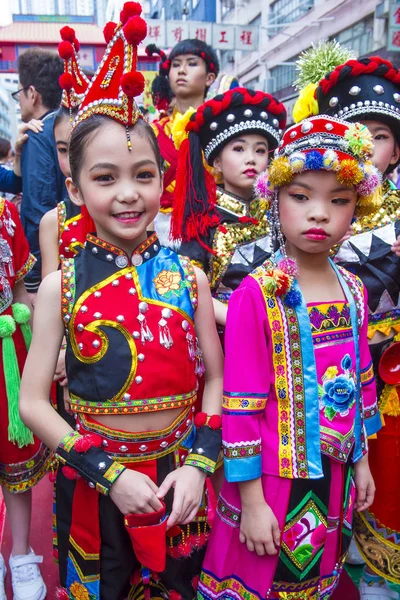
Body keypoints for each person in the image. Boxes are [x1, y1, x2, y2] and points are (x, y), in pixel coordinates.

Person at [19, 6, 223, 600]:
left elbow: (216, 378)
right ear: (76, 187)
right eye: (106, 178)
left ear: (165, 179)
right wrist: (108, 474)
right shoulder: (64, 285)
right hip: (95, 483)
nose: (129, 194)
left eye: (144, 175)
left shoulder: (191, 275)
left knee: (177, 588)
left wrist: (198, 465)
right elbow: (34, 403)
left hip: (178, 479)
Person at [197, 115, 381, 600]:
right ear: (274, 200)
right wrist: (253, 502)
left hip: (335, 470)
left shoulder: (355, 290)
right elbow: (241, 402)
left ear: (356, 208)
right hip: (271, 480)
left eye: (338, 201)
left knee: (315, 577)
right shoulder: (255, 295)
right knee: (262, 577)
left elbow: (361, 381)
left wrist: (361, 462)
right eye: (301, 196)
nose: (319, 214)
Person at [294, 46, 400, 599]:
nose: (366, 146)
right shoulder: (310, 221)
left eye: (379, 135)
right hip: (322, 388)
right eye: (353, 131)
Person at [171, 87, 286, 329]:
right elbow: (189, 286)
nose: (251, 158)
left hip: (282, 328)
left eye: (260, 150)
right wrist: (240, 320)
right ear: (217, 162)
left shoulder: (280, 211)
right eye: (239, 149)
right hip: (226, 333)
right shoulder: (203, 220)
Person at [0, 195, 51, 600]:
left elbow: (19, 289)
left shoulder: (4, 214)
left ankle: (21, 553)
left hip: (7, 360)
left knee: (15, 458)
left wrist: (37, 354)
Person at [145, 40, 219, 246]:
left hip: (214, 228)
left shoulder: (221, 129)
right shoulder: (152, 131)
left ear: (210, 77)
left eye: (192, 63)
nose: (182, 71)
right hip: (160, 230)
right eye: (176, 64)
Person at [39, 26, 92, 279]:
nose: (74, 159)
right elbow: (51, 297)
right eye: (64, 149)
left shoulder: (135, 211)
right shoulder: (53, 223)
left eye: (86, 147)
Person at [18, 48, 65, 301]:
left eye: (19, 94)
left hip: (49, 266)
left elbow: (39, 211)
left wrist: (34, 278)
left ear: (32, 94)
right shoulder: (69, 124)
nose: (19, 102)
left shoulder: (37, 135)